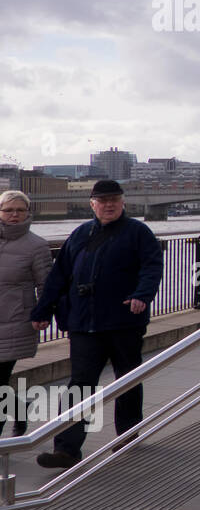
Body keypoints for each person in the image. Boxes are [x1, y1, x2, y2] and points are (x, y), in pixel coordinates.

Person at [30, 180, 163, 467]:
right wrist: (43, 311)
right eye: (102, 201)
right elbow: (58, 277)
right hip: (83, 323)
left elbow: (152, 267)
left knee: (126, 378)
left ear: (123, 202)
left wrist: (142, 295)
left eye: (114, 199)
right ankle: (66, 449)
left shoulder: (138, 233)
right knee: (80, 384)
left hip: (124, 320)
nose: (109, 204)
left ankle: (127, 435)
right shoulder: (79, 235)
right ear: (92, 204)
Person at [1, 191, 51, 438]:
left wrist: (44, 314)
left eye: (20, 210)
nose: (14, 215)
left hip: (15, 322)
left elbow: (46, 286)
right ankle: (20, 409)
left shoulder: (37, 246)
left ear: (28, 213)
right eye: (8, 210)